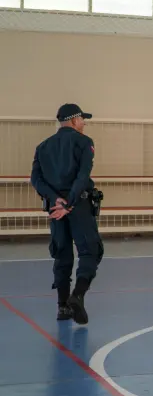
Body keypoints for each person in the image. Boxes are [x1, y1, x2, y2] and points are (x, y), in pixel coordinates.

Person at [30, 104, 103, 324]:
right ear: (73, 120)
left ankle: (62, 307)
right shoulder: (84, 142)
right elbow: (82, 176)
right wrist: (69, 202)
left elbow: (36, 179)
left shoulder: (42, 147)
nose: (84, 123)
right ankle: (77, 296)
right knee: (90, 251)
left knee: (62, 254)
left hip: (55, 209)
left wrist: (56, 200)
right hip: (78, 205)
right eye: (82, 119)